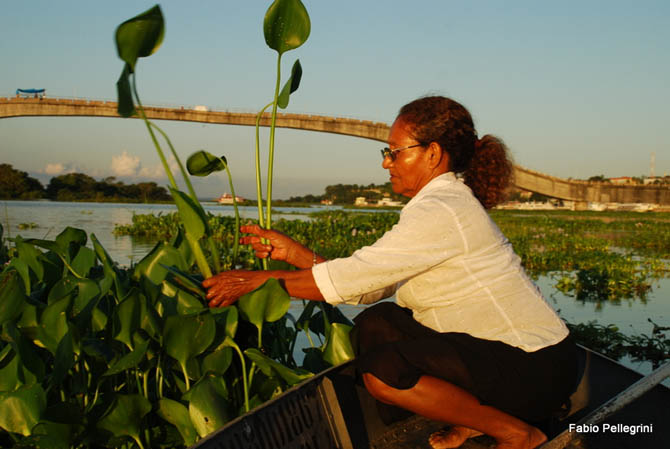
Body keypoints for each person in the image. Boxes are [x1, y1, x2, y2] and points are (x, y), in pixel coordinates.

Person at [203, 96, 577, 449]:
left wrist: (253, 281)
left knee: (382, 371)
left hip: (536, 367)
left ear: (432, 153)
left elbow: (353, 280)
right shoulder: (438, 202)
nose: (386, 163)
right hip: (507, 356)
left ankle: (516, 432)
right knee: (378, 322)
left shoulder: (442, 208)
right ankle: (475, 418)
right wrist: (295, 254)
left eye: (394, 152)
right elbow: (368, 284)